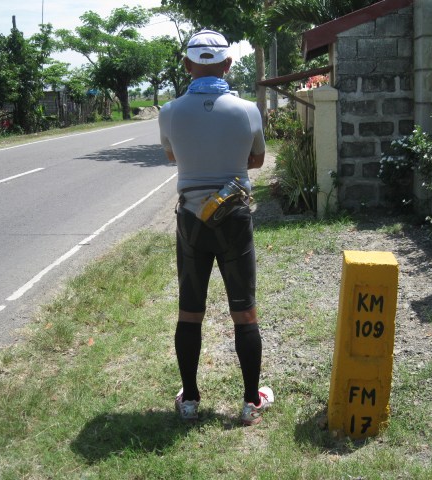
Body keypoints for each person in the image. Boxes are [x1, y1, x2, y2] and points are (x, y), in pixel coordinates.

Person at [158, 29, 274, 426]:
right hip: (234, 217)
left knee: (190, 311)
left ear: (186, 65)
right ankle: (251, 402)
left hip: (192, 220)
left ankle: (190, 399)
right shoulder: (247, 110)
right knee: (245, 312)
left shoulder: (169, 111)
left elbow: (173, 156)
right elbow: (257, 159)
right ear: (228, 64)